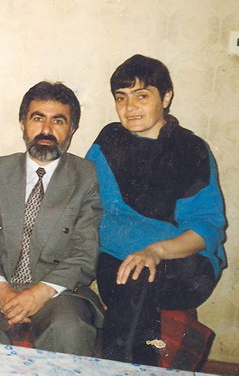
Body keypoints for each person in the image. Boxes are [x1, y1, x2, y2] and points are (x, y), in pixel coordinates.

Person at [85, 54, 226, 366]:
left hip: (181, 263)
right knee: (131, 277)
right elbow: (84, 199)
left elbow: (206, 228)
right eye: (121, 97)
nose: (129, 107)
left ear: (166, 97)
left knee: (138, 276)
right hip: (114, 256)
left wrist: (155, 252)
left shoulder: (190, 149)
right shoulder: (108, 140)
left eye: (142, 96)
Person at [0, 81, 103, 357]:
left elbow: (85, 252)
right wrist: (1, 290)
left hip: (57, 291)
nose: (46, 130)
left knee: (70, 329)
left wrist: (39, 293)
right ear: (23, 123)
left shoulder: (86, 176)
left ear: (72, 128)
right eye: (37, 118)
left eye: (58, 121)